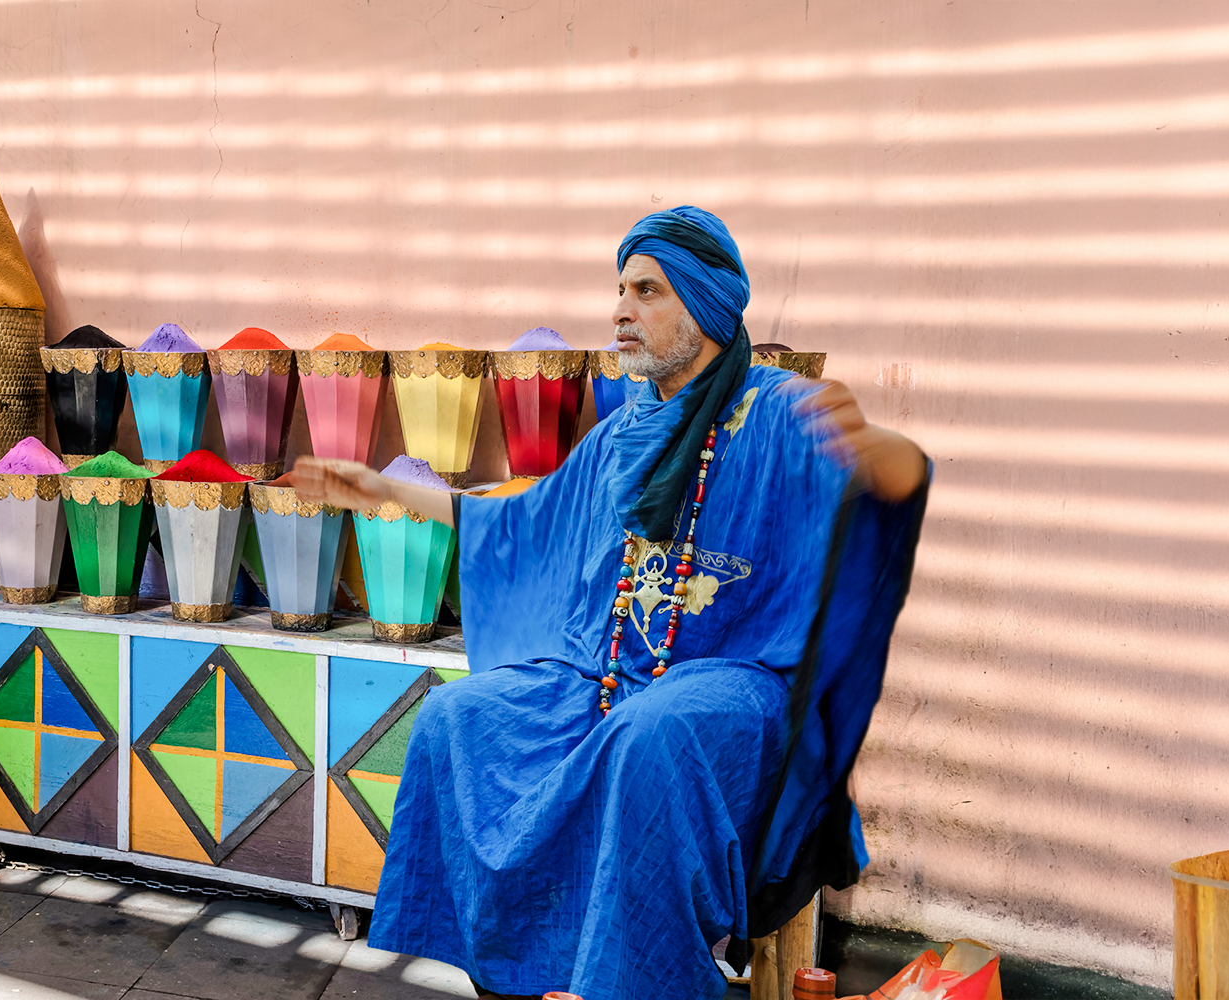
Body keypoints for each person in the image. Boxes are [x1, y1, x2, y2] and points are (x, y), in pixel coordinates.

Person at [292, 206, 928, 1000]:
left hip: (734, 681)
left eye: (647, 291)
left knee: (646, 737)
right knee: (458, 719)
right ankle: (511, 978)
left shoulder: (776, 410)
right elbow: (526, 520)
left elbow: (893, 483)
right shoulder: (619, 433)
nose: (621, 310)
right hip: (604, 674)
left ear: (705, 306)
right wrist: (386, 488)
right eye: (619, 289)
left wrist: (879, 451)